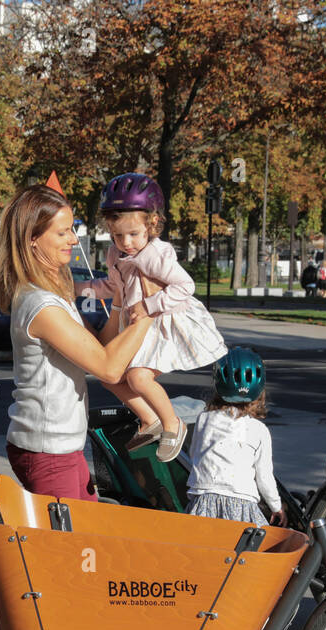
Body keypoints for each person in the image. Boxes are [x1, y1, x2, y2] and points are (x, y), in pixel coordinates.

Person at [0, 183, 157, 630]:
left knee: (76, 565)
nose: (73, 238)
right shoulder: (38, 304)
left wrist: (129, 308)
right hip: (48, 453)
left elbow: (97, 350)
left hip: (59, 448)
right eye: (62, 231)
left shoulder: (49, 295)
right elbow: (108, 369)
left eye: (73, 228)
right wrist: (152, 310)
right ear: (33, 240)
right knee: (69, 574)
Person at [75, 172, 227, 459]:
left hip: (162, 323)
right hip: (135, 325)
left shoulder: (156, 255)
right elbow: (110, 287)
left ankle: (173, 423)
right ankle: (150, 419)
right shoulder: (116, 255)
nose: (126, 242)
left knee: (138, 378)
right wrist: (77, 287)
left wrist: (149, 304)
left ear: (152, 223)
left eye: (133, 234)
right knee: (110, 378)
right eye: (118, 235)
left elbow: (185, 286)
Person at [186, 348, 284, 526]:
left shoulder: (204, 419)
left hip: (204, 501)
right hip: (242, 504)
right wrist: (276, 506)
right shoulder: (259, 430)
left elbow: (194, 455)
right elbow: (264, 477)